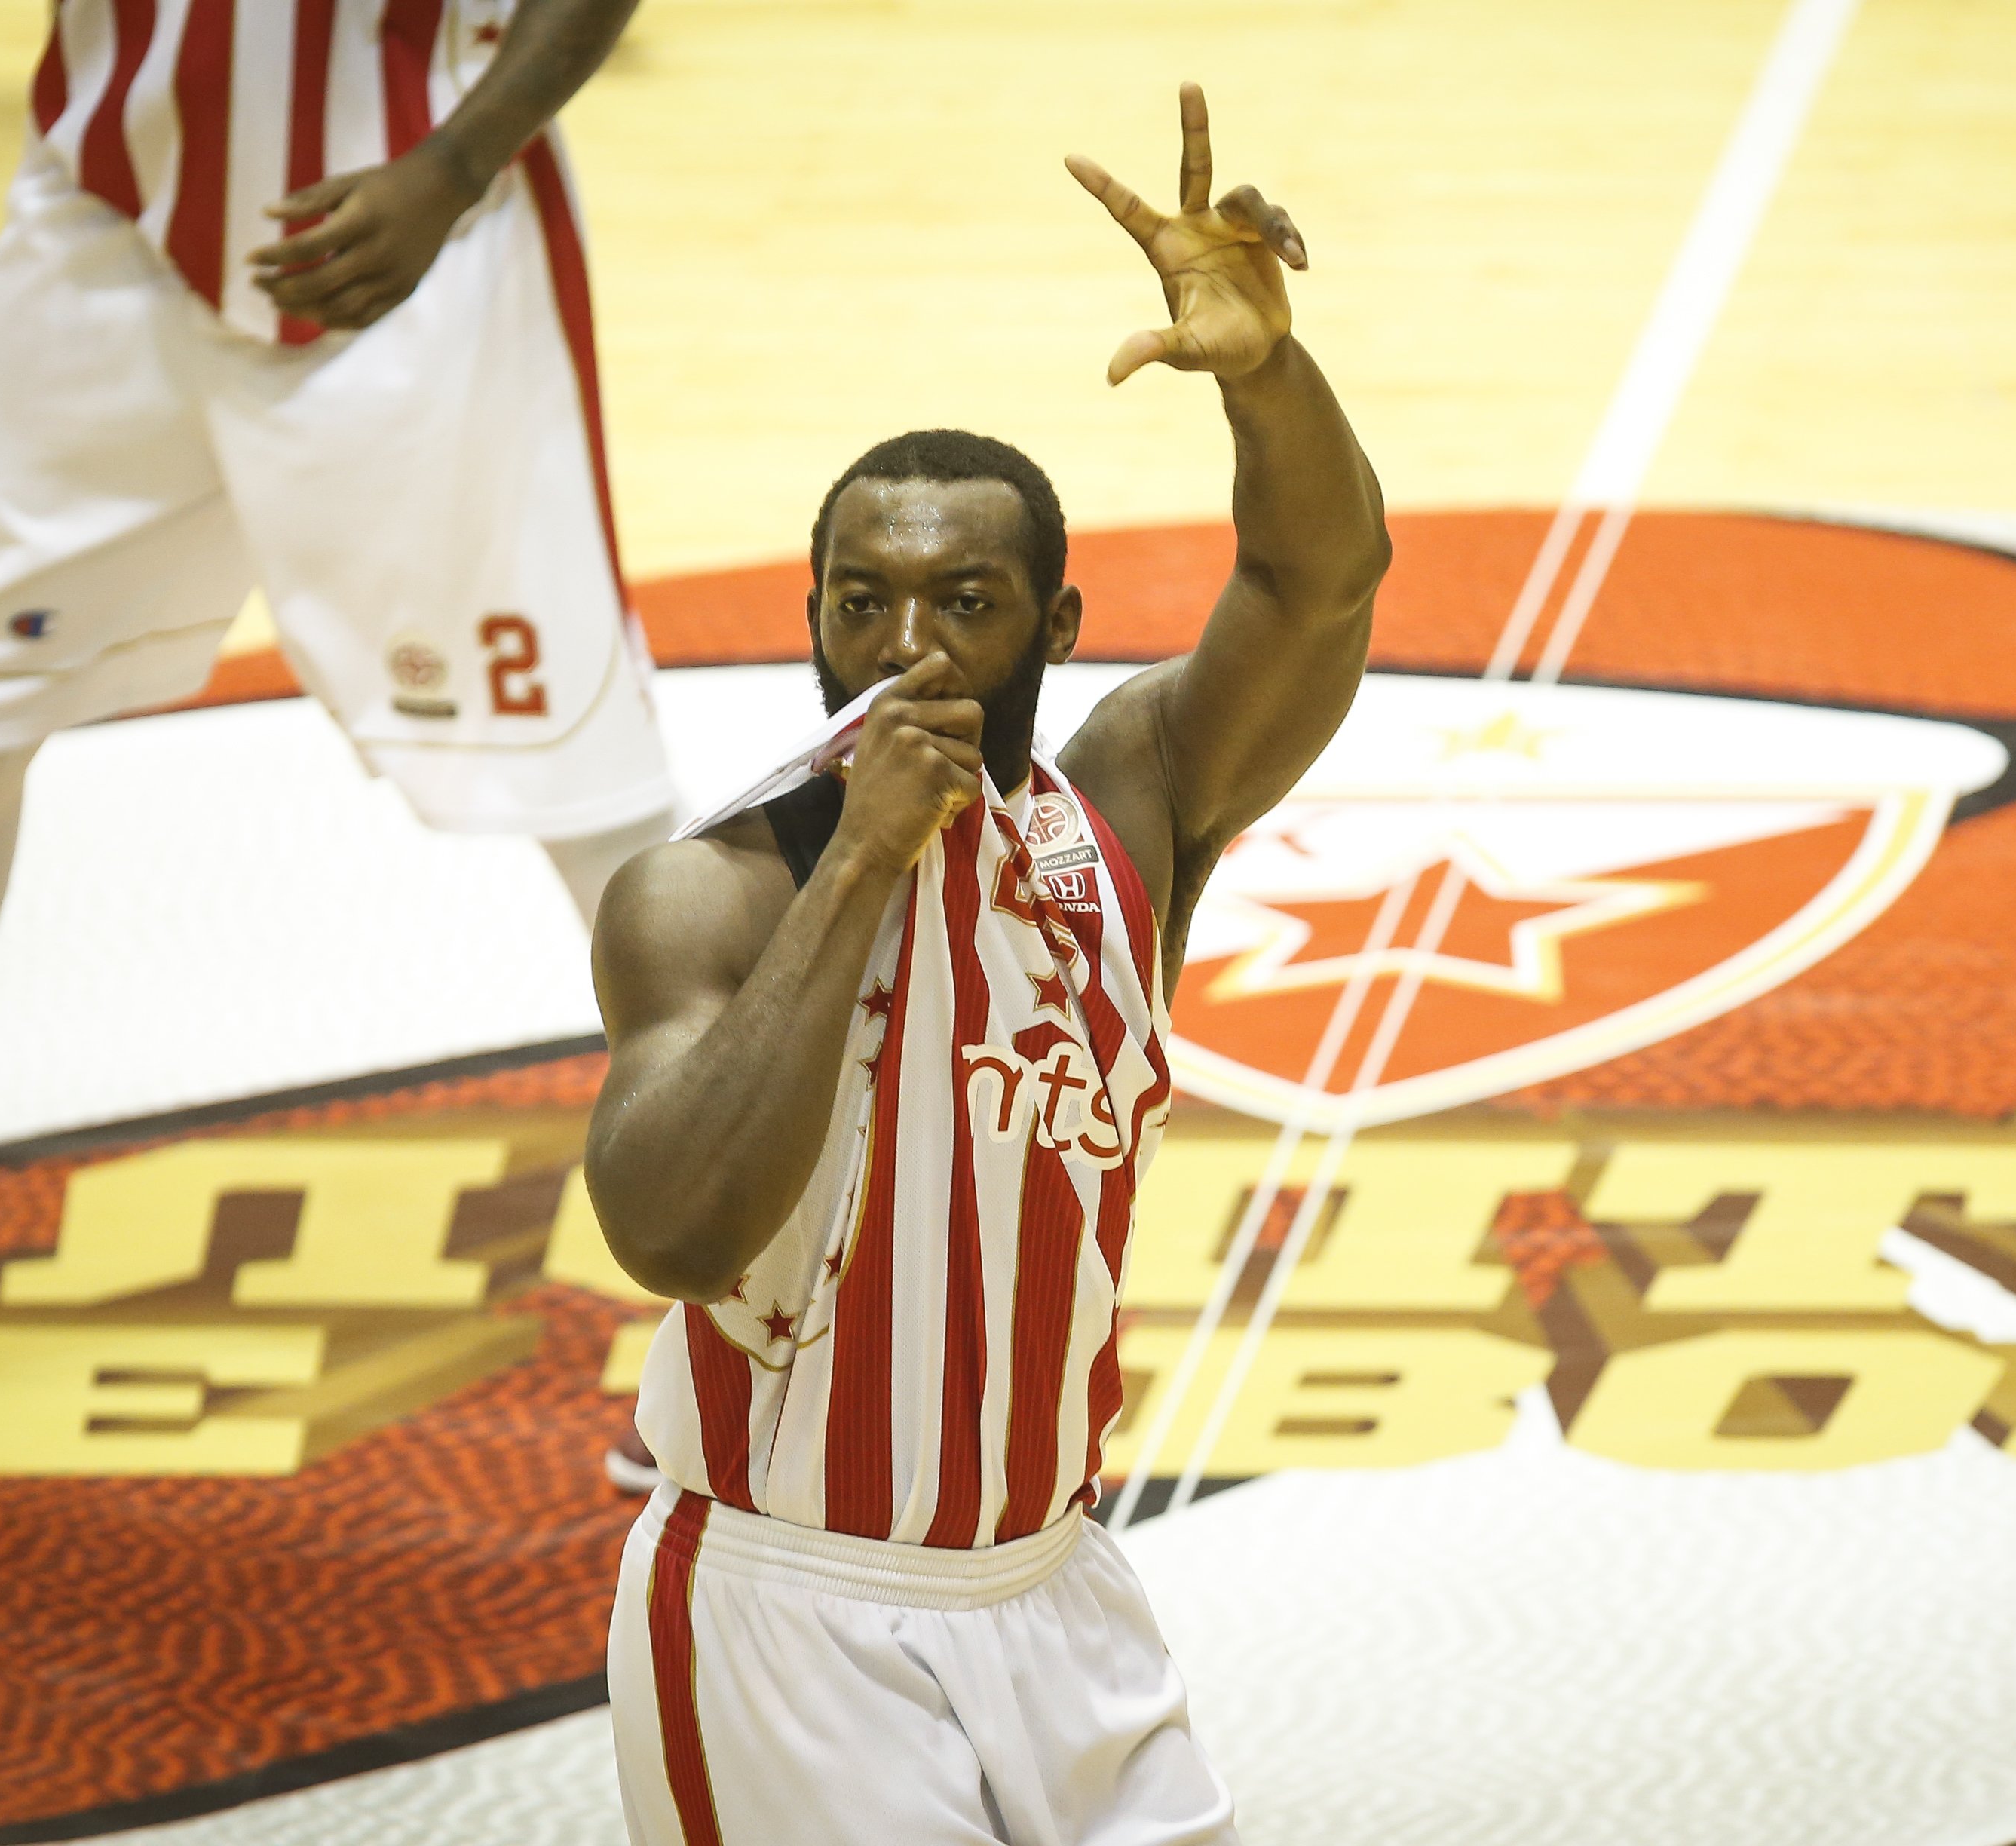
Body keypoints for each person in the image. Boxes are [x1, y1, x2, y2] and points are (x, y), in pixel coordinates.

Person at [587, 84, 1387, 1846]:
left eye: (966, 603)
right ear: (812, 620)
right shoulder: (709, 894)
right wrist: (867, 860)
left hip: (1054, 1585)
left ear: (1056, 628)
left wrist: (1265, 374)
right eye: (860, 601)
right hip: (792, 1614)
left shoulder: (1125, 815)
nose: (907, 644)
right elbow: (671, 1235)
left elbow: (1319, 587)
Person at [0, 0, 676, 1362]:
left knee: (586, 783)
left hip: (424, 232)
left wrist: (458, 161)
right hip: (104, 217)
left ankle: (777, 1301)